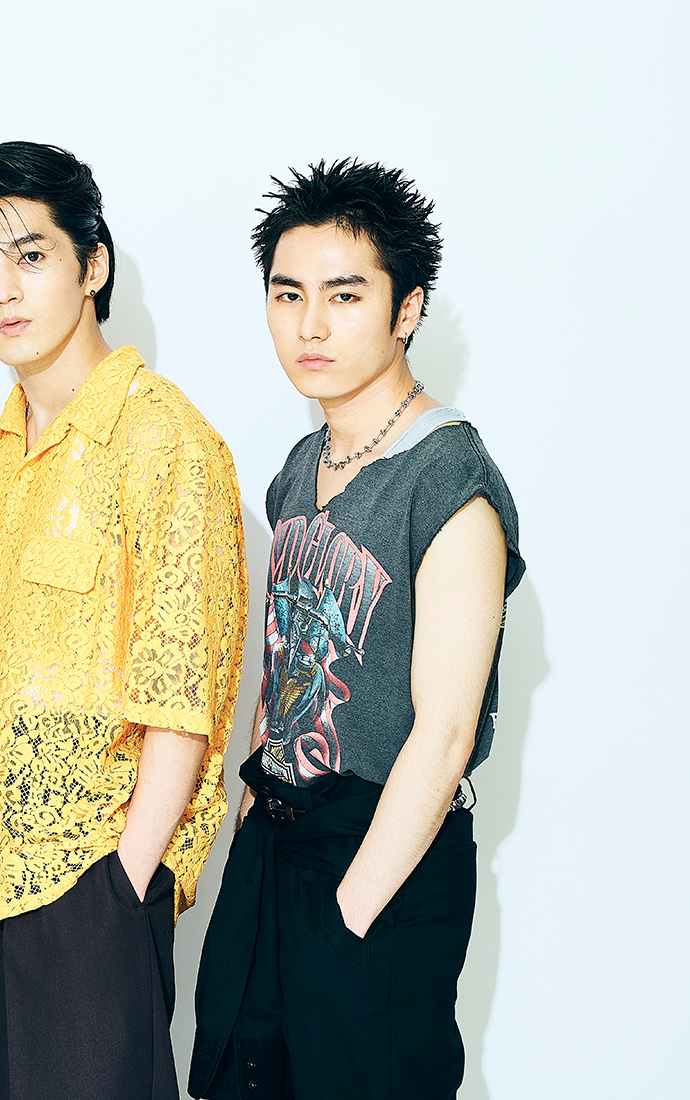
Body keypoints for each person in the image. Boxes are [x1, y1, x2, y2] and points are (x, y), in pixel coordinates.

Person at [0, 141, 249, 1100]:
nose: (3, 290)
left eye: (31, 256)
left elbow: (183, 698)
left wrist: (123, 889)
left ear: (93, 265)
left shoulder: (165, 441)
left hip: (80, 892)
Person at [188, 160, 525, 1099]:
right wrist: (251, 822)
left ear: (406, 308)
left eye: (345, 295)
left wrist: (349, 913)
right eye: (287, 293)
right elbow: (285, 660)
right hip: (277, 844)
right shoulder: (301, 466)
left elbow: (445, 734)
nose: (311, 325)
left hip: (380, 859)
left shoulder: (448, 481)